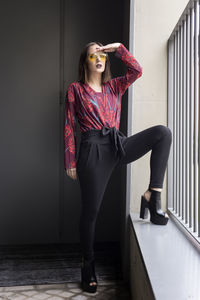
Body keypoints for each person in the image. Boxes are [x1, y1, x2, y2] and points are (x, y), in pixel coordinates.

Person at [64, 41, 172, 293]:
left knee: (163, 133)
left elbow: (137, 70)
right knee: (91, 212)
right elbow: (69, 125)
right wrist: (70, 160)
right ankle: (87, 265)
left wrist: (118, 48)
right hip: (92, 150)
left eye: (102, 55)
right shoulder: (75, 90)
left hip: (117, 143)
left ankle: (152, 196)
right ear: (85, 62)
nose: (99, 59)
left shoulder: (114, 86)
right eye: (93, 56)